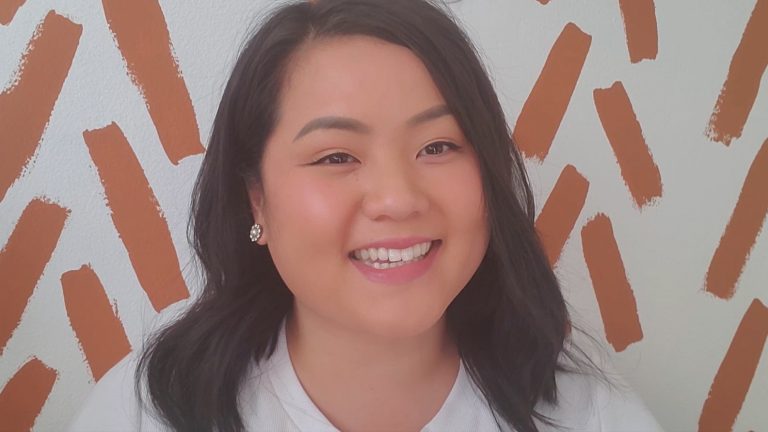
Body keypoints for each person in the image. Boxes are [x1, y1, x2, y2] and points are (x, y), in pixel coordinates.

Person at [70, 0, 663, 431]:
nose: (397, 199)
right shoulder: (150, 407)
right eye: (336, 156)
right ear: (256, 199)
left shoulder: (587, 413)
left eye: (438, 146)